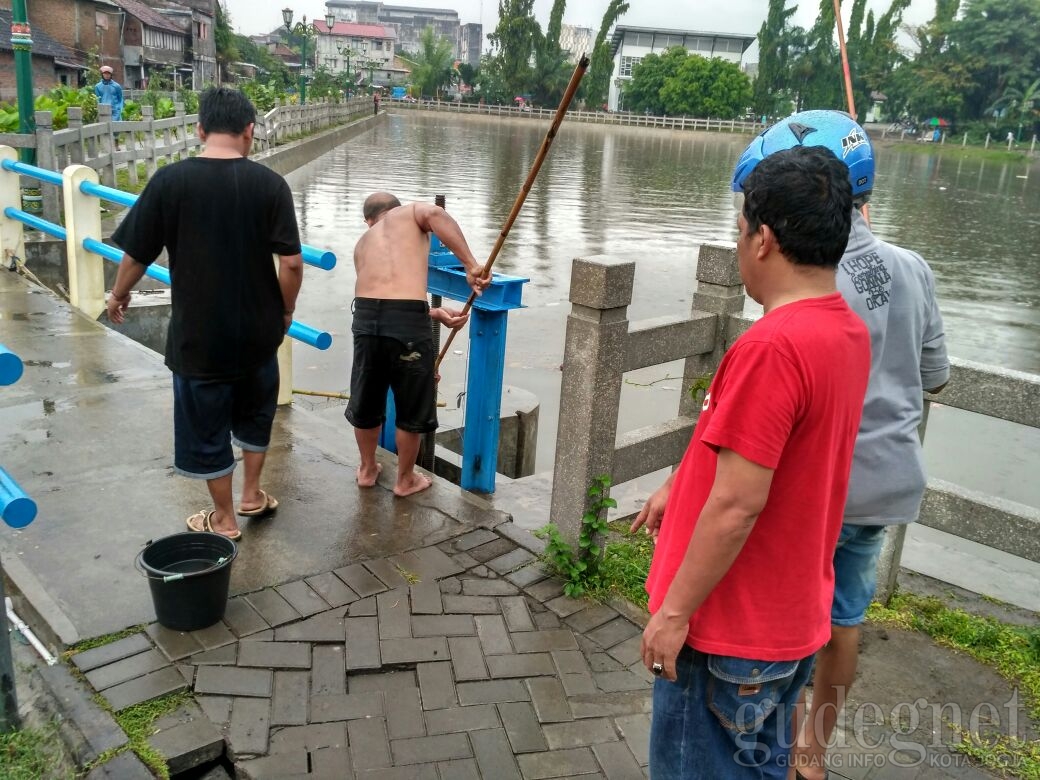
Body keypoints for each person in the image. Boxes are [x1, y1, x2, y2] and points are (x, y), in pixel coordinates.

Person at [632, 145, 871, 779]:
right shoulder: (844, 329)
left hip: (727, 632)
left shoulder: (774, 346)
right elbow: (770, 459)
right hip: (787, 621)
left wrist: (674, 614)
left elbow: (739, 505)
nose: (739, 242)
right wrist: (677, 488)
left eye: (740, 228)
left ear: (762, 238)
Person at [731, 111, 950, 780]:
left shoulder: (804, 278)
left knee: (790, 613)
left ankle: (760, 733)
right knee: (844, 618)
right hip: (886, 481)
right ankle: (813, 752)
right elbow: (935, 376)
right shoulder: (913, 268)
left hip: (817, 486)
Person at [106, 87, 303, 540]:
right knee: (256, 412)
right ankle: (252, 494)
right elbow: (291, 263)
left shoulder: (170, 181)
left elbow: (137, 253)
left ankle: (226, 519)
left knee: (206, 424)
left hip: (200, 334)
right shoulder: (270, 185)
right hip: (259, 332)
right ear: (250, 131)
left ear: (199, 129)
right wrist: (285, 311)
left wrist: (118, 295)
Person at [346, 192, 488, 497]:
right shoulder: (411, 213)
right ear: (394, 210)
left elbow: (384, 298)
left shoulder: (361, 244)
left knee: (367, 401)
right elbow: (437, 215)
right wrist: (470, 265)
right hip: (407, 324)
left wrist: (434, 312)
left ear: (368, 220)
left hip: (366, 320)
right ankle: (405, 480)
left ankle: (368, 469)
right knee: (412, 406)